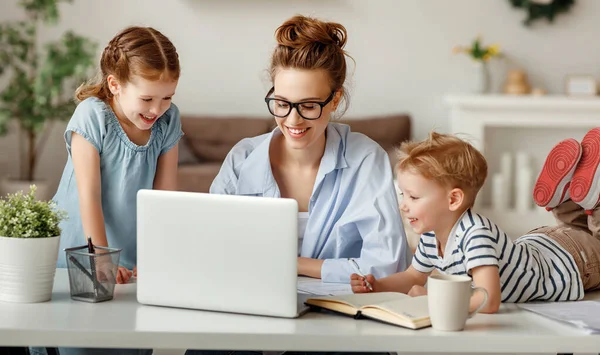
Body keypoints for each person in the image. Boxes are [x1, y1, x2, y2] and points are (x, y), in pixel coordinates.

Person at [209, 15, 410, 283]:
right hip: (252, 300)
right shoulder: (241, 159)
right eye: (282, 103)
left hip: (343, 313)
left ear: (335, 99)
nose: (293, 120)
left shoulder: (366, 160)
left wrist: (297, 265)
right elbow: (211, 248)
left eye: (309, 106)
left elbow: (387, 266)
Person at [32, 26, 182, 355]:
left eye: (167, 97)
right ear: (114, 84)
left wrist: (156, 257)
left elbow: (165, 199)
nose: (157, 109)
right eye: (147, 98)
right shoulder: (92, 116)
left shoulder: (168, 122)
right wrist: (100, 259)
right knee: (81, 340)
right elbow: (89, 196)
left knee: (129, 340)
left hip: (128, 253)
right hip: (80, 248)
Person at [350, 129, 600, 314]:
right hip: (546, 245)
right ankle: (571, 198)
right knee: (580, 230)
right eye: (403, 194)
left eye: (413, 197)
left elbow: (489, 300)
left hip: (572, 263)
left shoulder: (475, 235)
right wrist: (377, 285)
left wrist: (432, 301)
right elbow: (413, 276)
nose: (403, 205)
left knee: (595, 239)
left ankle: (592, 201)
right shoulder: (431, 236)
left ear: (453, 199)